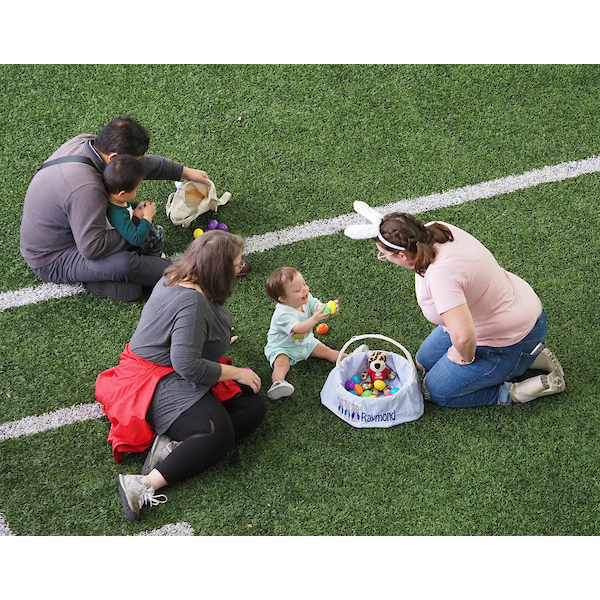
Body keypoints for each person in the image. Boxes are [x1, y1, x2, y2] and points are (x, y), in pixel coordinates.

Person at [95, 230, 266, 521]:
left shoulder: (176, 274)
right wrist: (235, 371)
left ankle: (174, 444)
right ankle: (143, 483)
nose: (240, 269)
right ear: (219, 270)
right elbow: (188, 366)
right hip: (154, 379)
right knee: (218, 434)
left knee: (252, 406)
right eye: (237, 264)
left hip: (169, 369)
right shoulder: (193, 303)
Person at [344, 202, 565, 407]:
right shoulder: (435, 231)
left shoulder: (441, 275)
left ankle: (516, 386)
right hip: (509, 308)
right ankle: (527, 358)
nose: (385, 259)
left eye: (384, 256)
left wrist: (464, 357)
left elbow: (464, 336)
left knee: (434, 391)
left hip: (511, 338)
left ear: (402, 255)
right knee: (423, 362)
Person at [20, 115, 250, 302]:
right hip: (55, 257)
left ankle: (108, 279)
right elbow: (92, 247)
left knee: (132, 290)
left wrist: (183, 171)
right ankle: (198, 273)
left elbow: (139, 166)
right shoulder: (86, 189)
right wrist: (139, 224)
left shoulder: (90, 144)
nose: (140, 165)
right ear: (115, 158)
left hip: (74, 231)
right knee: (125, 264)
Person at [264, 267, 366, 400]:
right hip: (283, 347)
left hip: (306, 342)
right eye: (297, 290)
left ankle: (351, 358)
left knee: (327, 352)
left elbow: (316, 306)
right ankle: (278, 382)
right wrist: (315, 318)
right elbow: (298, 329)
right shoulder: (282, 314)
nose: (305, 289)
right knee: (282, 363)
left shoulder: (305, 298)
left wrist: (327, 308)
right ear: (283, 298)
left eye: (304, 284)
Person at [103, 154, 166, 257]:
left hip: (127, 231)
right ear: (122, 194)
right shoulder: (117, 215)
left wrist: (138, 206)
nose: (137, 192)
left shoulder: (115, 199)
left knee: (146, 220)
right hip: (126, 248)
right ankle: (155, 258)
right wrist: (148, 216)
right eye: (136, 190)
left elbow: (126, 206)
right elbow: (135, 239)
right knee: (158, 233)